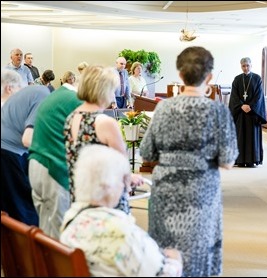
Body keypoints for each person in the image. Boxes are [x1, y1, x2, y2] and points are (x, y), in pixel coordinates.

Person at [140, 46, 239, 277]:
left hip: (166, 190)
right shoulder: (217, 111)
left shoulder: (163, 107)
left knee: (166, 249)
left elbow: (146, 153)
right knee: (199, 249)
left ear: (180, 75)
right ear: (209, 77)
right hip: (201, 190)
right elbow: (228, 161)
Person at [60, 144, 183, 277]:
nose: (127, 189)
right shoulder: (120, 232)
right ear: (108, 186)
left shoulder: (71, 218)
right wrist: (175, 261)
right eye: (123, 181)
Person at [64, 64, 141, 216]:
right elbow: (123, 168)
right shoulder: (105, 123)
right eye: (112, 90)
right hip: (104, 201)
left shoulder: (71, 117)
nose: (113, 96)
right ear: (103, 90)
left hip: (79, 197)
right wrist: (129, 181)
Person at [28, 80, 83, 239]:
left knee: (46, 225)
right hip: (54, 168)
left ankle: (45, 263)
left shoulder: (56, 95)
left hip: (37, 163)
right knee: (60, 229)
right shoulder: (76, 101)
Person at [1, 84, 49, 225]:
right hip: (9, 152)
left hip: (8, 151)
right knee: (23, 211)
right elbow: (28, 139)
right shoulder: (42, 94)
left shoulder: (26, 94)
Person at [228, 57, 267, 167]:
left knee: (252, 137)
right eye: (243, 66)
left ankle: (252, 160)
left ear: (251, 65)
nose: (245, 68)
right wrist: (241, 106)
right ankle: (240, 160)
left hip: (252, 114)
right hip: (240, 113)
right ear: (241, 66)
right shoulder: (237, 79)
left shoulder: (257, 78)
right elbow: (234, 96)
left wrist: (251, 106)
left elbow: (259, 96)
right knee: (240, 136)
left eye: (247, 65)